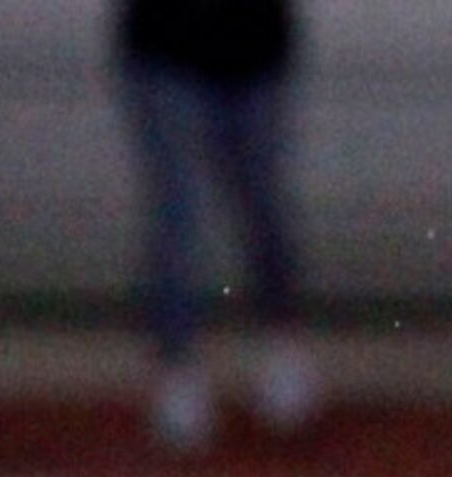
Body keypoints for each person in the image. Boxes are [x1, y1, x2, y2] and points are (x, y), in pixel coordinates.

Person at [113, 0, 322, 454]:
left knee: (262, 209)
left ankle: (281, 343)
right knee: (178, 218)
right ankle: (178, 370)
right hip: (165, 51)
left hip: (254, 53)